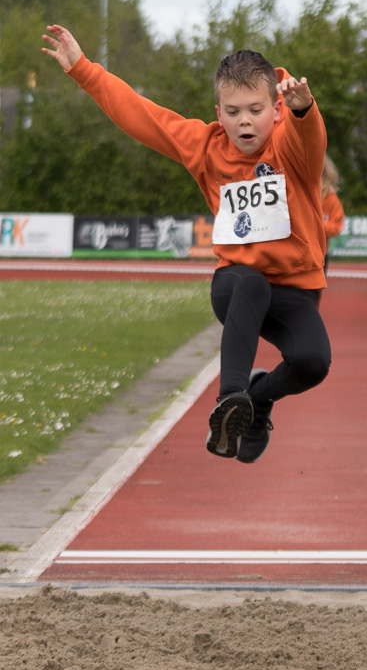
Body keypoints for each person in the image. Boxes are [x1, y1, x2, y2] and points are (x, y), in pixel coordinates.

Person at [42, 25, 331, 464]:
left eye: (255, 110)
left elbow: (309, 139)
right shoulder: (207, 147)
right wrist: (84, 70)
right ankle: (231, 401)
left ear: (275, 109)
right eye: (233, 112)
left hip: (294, 287)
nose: (244, 121)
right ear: (219, 112)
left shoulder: (289, 145)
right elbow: (143, 115)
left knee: (313, 362)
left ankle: (258, 400)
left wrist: (305, 109)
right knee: (250, 282)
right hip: (236, 285)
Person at [320, 154, 345, 278]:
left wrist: (315, 225)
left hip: (320, 255)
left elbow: (336, 227)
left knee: (313, 295)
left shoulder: (330, 199)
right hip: (295, 254)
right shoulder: (297, 193)